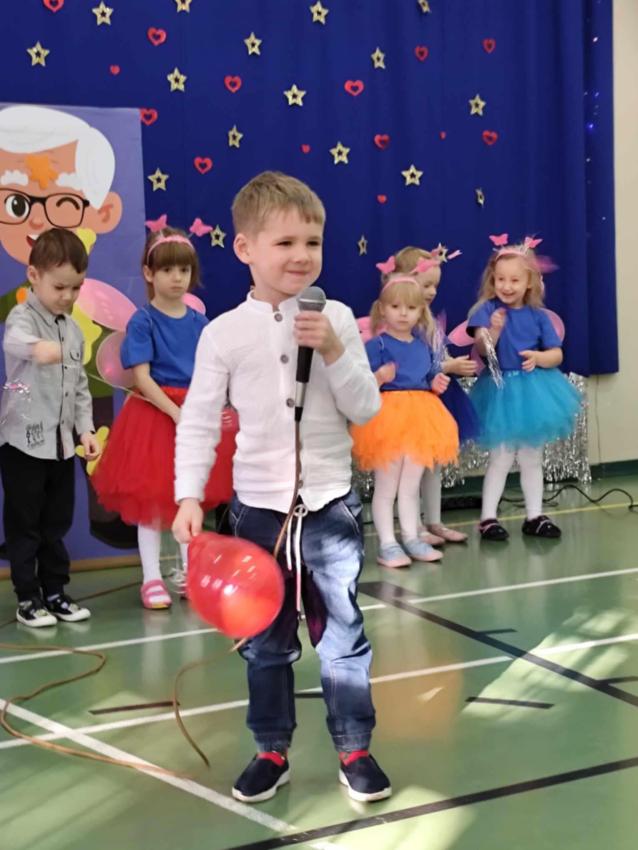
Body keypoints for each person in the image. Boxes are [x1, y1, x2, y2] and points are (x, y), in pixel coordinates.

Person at [173, 171, 392, 804]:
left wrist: (334, 351)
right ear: (245, 248)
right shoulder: (223, 333)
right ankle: (271, 747)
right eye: (286, 243)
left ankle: (354, 746)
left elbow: (365, 407)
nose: (302, 256)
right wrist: (189, 494)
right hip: (259, 516)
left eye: (313, 242)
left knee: (342, 636)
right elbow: (198, 421)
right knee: (266, 643)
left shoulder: (337, 317)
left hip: (328, 507)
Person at [91, 227, 236, 609]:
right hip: (154, 417)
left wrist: (201, 411)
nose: (177, 278)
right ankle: (152, 578)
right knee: (150, 504)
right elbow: (141, 377)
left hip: (192, 413)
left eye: (184, 270)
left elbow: (212, 373)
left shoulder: (200, 324)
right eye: (168, 269)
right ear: (148, 272)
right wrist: (175, 412)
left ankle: (190, 573)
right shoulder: (144, 321)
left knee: (190, 497)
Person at [0, 228, 100, 627]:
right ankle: (28, 598)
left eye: (76, 288)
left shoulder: (72, 330)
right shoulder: (21, 317)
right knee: (25, 524)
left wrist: (86, 430)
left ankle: (55, 591)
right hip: (22, 444)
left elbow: (80, 388)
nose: (68, 296)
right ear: (33, 275)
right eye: (60, 287)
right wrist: (37, 348)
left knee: (55, 523)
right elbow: (13, 342)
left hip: (60, 446)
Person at [466, 236, 581, 541]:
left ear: (529, 282)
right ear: (493, 280)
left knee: (531, 456)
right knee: (501, 458)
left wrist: (540, 358)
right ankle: (488, 518)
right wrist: (493, 330)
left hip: (533, 392)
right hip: (500, 390)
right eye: (500, 279)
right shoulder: (487, 310)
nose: (506, 286)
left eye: (514, 280)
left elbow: (557, 354)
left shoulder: (538, 316)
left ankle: (534, 516)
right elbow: (482, 349)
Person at [350, 264, 459, 568]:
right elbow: (359, 384)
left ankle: (412, 538)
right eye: (395, 307)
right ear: (382, 309)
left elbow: (426, 378)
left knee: (410, 487)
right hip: (387, 418)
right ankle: (387, 544)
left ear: (421, 312)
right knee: (387, 487)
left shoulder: (423, 346)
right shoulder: (377, 345)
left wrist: (435, 384)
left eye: (411, 308)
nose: (403, 314)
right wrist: (379, 377)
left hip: (421, 418)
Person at [389, 245, 479, 545]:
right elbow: (411, 366)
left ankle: (434, 521)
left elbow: (438, 354)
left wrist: (452, 364)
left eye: (435, 286)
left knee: (433, 465)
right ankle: (413, 526)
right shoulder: (401, 321)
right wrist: (448, 366)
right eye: (426, 285)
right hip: (411, 400)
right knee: (411, 467)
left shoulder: (428, 320)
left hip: (438, 398)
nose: (431, 292)